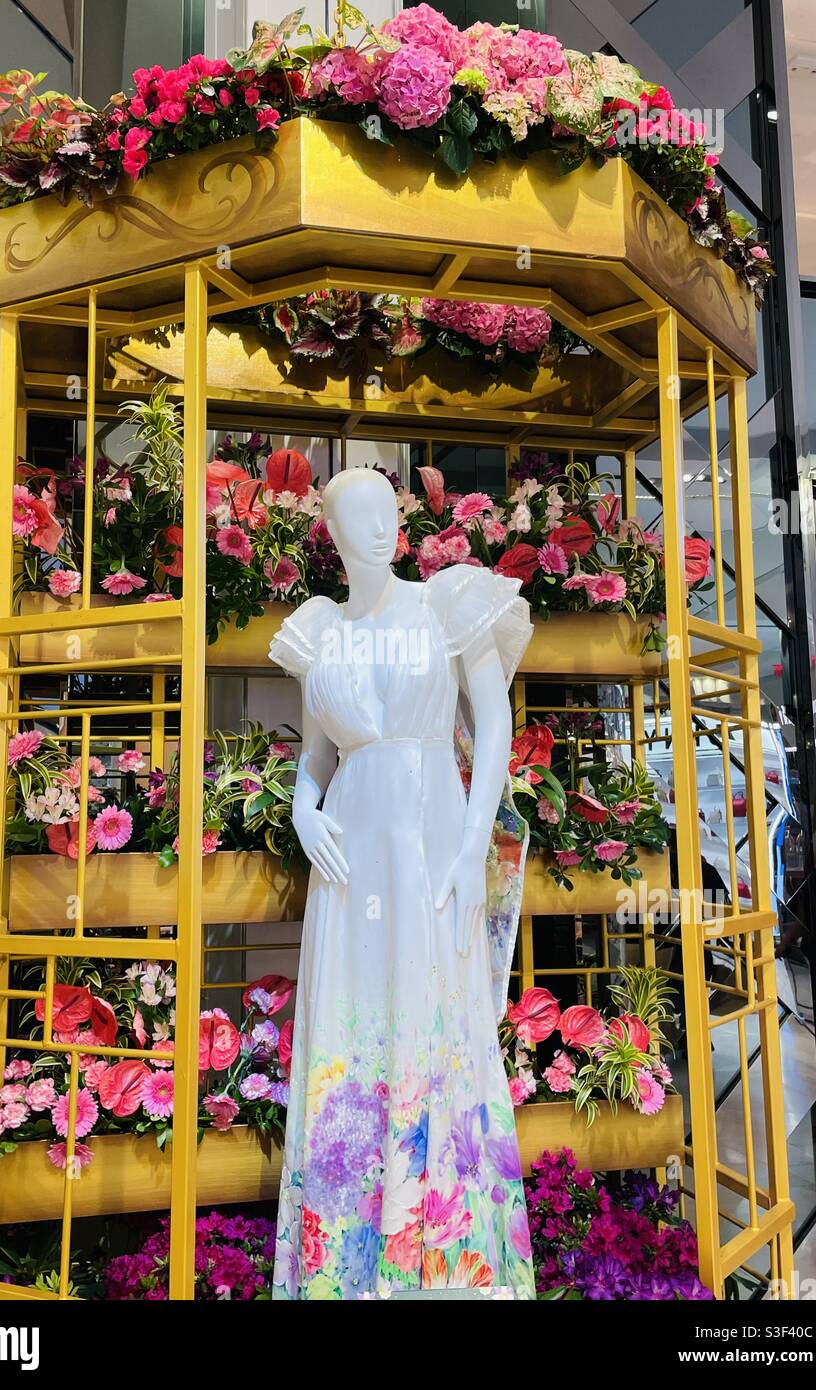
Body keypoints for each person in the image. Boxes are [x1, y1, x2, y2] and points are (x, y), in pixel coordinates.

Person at [268, 467, 535, 1300]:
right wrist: (303, 810)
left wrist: (467, 846)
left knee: (435, 1022)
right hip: (350, 863)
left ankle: (446, 1272)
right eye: (358, 516)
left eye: (388, 511)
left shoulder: (446, 603)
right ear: (334, 536)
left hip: (428, 848)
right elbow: (317, 755)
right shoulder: (320, 629)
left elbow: (493, 724)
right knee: (351, 1036)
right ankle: (344, 1273)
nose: (379, 528)